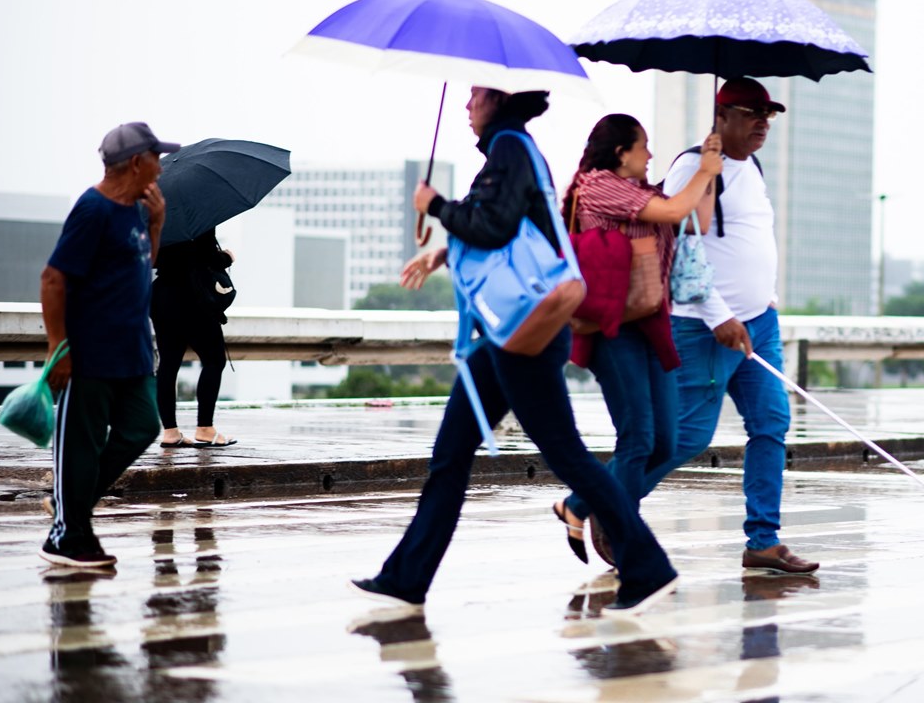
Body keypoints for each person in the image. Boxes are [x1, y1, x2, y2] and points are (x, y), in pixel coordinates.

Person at [349, 87, 678, 617]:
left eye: (475, 95)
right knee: (450, 456)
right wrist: (441, 250)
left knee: (566, 455)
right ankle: (405, 578)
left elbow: (494, 225)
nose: (466, 105)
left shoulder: (509, 146)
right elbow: (506, 224)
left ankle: (650, 568)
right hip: (508, 333)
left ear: (498, 102)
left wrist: (434, 205)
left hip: (528, 331)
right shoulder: (515, 148)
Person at [653, 77, 820, 575]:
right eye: (752, 114)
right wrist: (718, 314)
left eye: (768, 116)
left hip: (759, 322)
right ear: (721, 116)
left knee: (771, 424)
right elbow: (682, 249)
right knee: (687, 437)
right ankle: (600, 502)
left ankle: (762, 541)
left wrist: (761, 300)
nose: (763, 124)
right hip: (705, 327)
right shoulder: (693, 166)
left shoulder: (754, 165)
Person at [550, 114, 722, 563]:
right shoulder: (598, 185)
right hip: (612, 328)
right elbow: (670, 212)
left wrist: (712, 168)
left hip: (647, 320)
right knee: (638, 439)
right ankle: (629, 543)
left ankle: (580, 505)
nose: (650, 155)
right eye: (643, 146)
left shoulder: (645, 192)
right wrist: (702, 172)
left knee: (666, 440)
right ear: (621, 151)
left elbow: (693, 219)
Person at [39, 122, 177, 568]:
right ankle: (67, 537)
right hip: (90, 353)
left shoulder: (138, 211)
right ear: (137, 162)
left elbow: (143, 263)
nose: (161, 167)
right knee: (81, 443)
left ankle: (70, 505)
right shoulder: (93, 209)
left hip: (133, 352)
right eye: (157, 158)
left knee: (142, 428)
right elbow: (53, 278)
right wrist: (59, 348)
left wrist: (156, 224)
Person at [152, 228, 236, 447]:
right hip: (193, 297)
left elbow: (149, 259)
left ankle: (170, 433)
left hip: (162, 296)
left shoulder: (153, 216)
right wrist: (227, 257)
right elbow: (205, 258)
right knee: (214, 360)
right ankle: (205, 429)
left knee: (168, 365)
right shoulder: (196, 219)